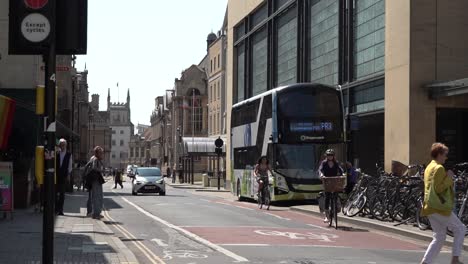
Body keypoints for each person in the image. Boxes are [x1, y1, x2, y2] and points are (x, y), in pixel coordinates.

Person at [421, 143, 466, 264]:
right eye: (445, 154)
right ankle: (455, 259)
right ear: (439, 154)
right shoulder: (439, 168)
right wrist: (449, 178)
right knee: (461, 229)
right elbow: (439, 188)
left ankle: (426, 262)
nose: (446, 157)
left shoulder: (429, 167)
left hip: (429, 207)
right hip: (439, 207)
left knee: (439, 237)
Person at [319, 149, 344, 223]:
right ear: (326, 156)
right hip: (327, 181)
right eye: (329, 155)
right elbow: (320, 169)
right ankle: (326, 215)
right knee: (327, 196)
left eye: (331, 155)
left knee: (336, 195)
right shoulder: (324, 163)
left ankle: (335, 209)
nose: (330, 157)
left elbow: (340, 169)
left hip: (334, 180)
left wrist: (342, 174)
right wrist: (321, 174)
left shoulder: (336, 163)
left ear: (333, 156)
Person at [84, 146, 106, 220]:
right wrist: (101, 170)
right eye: (101, 153)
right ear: (97, 153)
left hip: (92, 179)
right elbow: (94, 167)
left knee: (92, 196)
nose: (102, 154)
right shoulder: (95, 159)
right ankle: (96, 214)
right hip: (96, 179)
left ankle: (91, 212)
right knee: (97, 196)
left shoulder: (93, 158)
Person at [56, 138, 72, 216]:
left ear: (66, 145)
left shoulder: (69, 154)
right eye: (61, 145)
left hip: (64, 175)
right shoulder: (57, 153)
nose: (62, 146)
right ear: (59, 145)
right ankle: (56, 208)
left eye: (63, 145)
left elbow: (70, 165)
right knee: (55, 193)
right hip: (56, 175)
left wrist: (68, 174)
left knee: (62, 193)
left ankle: (60, 210)